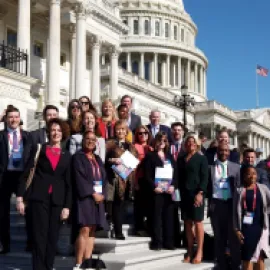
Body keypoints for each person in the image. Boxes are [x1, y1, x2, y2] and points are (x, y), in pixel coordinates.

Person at [16, 118, 72, 270]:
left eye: (59, 130)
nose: (56, 133)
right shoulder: (39, 149)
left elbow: (69, 183)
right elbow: (27, 173)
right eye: (53, 130)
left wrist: (67, 206)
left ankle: (48, 267)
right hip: (39, 199)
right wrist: (20, 197)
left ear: (63, 133)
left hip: (57, 200)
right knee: (39, 238)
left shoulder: (67, 155)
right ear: (48, 132)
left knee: (52, 238)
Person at [73, 131, 107, 269]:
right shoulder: (78, 158)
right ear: (83, 140)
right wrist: (93, 193)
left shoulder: (97, 159)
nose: (91, 141)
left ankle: (88, 262)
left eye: (93, 139)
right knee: (84, 229)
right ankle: (79, 263)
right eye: (88, 139)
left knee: (93, 229)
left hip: (98, 199)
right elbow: (79, 178)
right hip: (85, 198)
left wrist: (103, 194)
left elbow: (104, 178)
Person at [0, 106, 30, 254]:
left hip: (21, 176)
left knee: (28, 211)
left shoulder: (27, 136)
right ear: (6, 119)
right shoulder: (1, 135)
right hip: (5, 176)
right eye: (10, 117)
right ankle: (4, 244)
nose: (13, 120)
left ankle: (31, 243)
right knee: (2, 213)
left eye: (16, 117)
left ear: (20, 118)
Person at [207, 142, 241, 270]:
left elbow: (239, 188)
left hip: (231, 205)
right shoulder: (210, 167)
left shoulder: (236, 167)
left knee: (233, 236)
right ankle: (221, 263)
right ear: (217, 152)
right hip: (216, 204)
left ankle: (235, 264)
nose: (224, 153)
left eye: (226, 150)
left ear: (229, 152)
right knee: (219, 237)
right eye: (221, 150)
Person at [176, 135, 208, 264]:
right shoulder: (181, 159)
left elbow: (204, 177)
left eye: (193, 142)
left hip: (196, 194)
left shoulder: (201, 158)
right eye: (188, 142)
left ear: (197, 144)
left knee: (198, 222)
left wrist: (200, 192)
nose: (190, 144)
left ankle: (199, 251)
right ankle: (189, 250)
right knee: (187, 223)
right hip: (184, 195)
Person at [105, 120, 137, 240]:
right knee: (114, 204)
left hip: (126, 178)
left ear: (126, 131)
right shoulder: (109, 143)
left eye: (123, 129)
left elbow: (134, 160)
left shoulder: (130, 145)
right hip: (113, 178)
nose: (120, 131)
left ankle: (117, 227)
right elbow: (104, 159)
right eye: (118, 129)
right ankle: (118, 231)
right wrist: (112, 160)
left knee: (122, 204)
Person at [144, 132, 176, 250]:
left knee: (168, 217)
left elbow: (175, 174)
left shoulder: (170, 157)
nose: (161, 143)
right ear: (155, 142)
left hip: (168, 192)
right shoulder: (150, 156)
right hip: (156, 192)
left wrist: (173, 186)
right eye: (159, 140)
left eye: (164, 140)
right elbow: (147, 175)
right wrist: (153, 187)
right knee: (156, 217)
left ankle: (169, 242)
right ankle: (157, 242)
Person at [234, 165, 270, 270]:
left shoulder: (263, 188)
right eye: (249, 174)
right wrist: (236, 229)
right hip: (246, 228)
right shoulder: (239, 191)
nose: (252, 176)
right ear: (244, 176)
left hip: (261, 227)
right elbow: (234, 213)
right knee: (247, 257)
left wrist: (266, 213)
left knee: (260, 257)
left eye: (254, 173)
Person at [133, 125, 153, 236]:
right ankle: (139, 227)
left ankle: (148, 226)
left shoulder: (151, 147)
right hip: (139, 178)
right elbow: (132, 166)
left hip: (150, 180)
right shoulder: (134, 147)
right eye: (140, 133)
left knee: (149, 205)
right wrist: (135, 182)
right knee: (139, 205)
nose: (143, 135)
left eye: (145, 133)